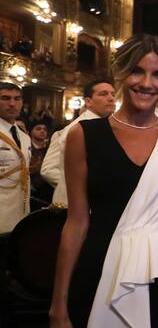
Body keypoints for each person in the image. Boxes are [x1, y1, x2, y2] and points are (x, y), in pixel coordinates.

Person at [48, 35, 158, 328]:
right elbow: (76, 223)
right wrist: (58, 310)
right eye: (137, 71)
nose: (146, 83)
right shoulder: (83, 135)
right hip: (101, 276)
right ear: (119, 73)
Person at [41, 78, 116, 207]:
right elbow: (50, 170)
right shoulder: (79, 129)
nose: (111, 98)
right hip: (76, 204)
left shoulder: (103, 126)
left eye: (113, 94)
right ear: (88, 101)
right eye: (103, 94)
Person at [0, 83, 31, 235]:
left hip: (19, 213)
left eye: (17, 99)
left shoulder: (24, 137)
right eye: (5, 98)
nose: (12, 103)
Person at [27, 119, 53, 209]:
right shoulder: (27, 148)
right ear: (30, 132)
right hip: (32, 190)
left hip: (49, 188)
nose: (42, 131)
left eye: (45, 129)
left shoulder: (51, 148)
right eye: (38, 129)